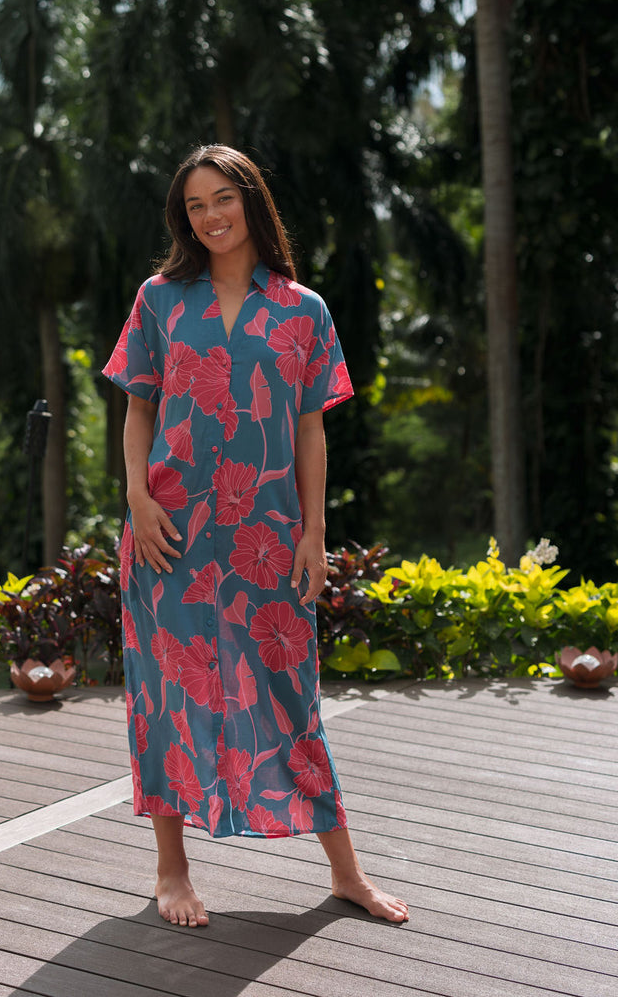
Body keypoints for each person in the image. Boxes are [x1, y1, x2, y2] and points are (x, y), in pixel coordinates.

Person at [103, 144, 409, 929]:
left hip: (267, 538)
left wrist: (315, 532)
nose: (209, 216)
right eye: (194, 206)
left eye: (221, 199)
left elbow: (311, 431)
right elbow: (138, 407)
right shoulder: (160, 301)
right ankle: (172, 870)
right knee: (168, 695)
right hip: (169, 530)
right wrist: (136, 497)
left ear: (250, 200)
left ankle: (346, 871)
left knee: (288, 695)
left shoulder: (303, 309)